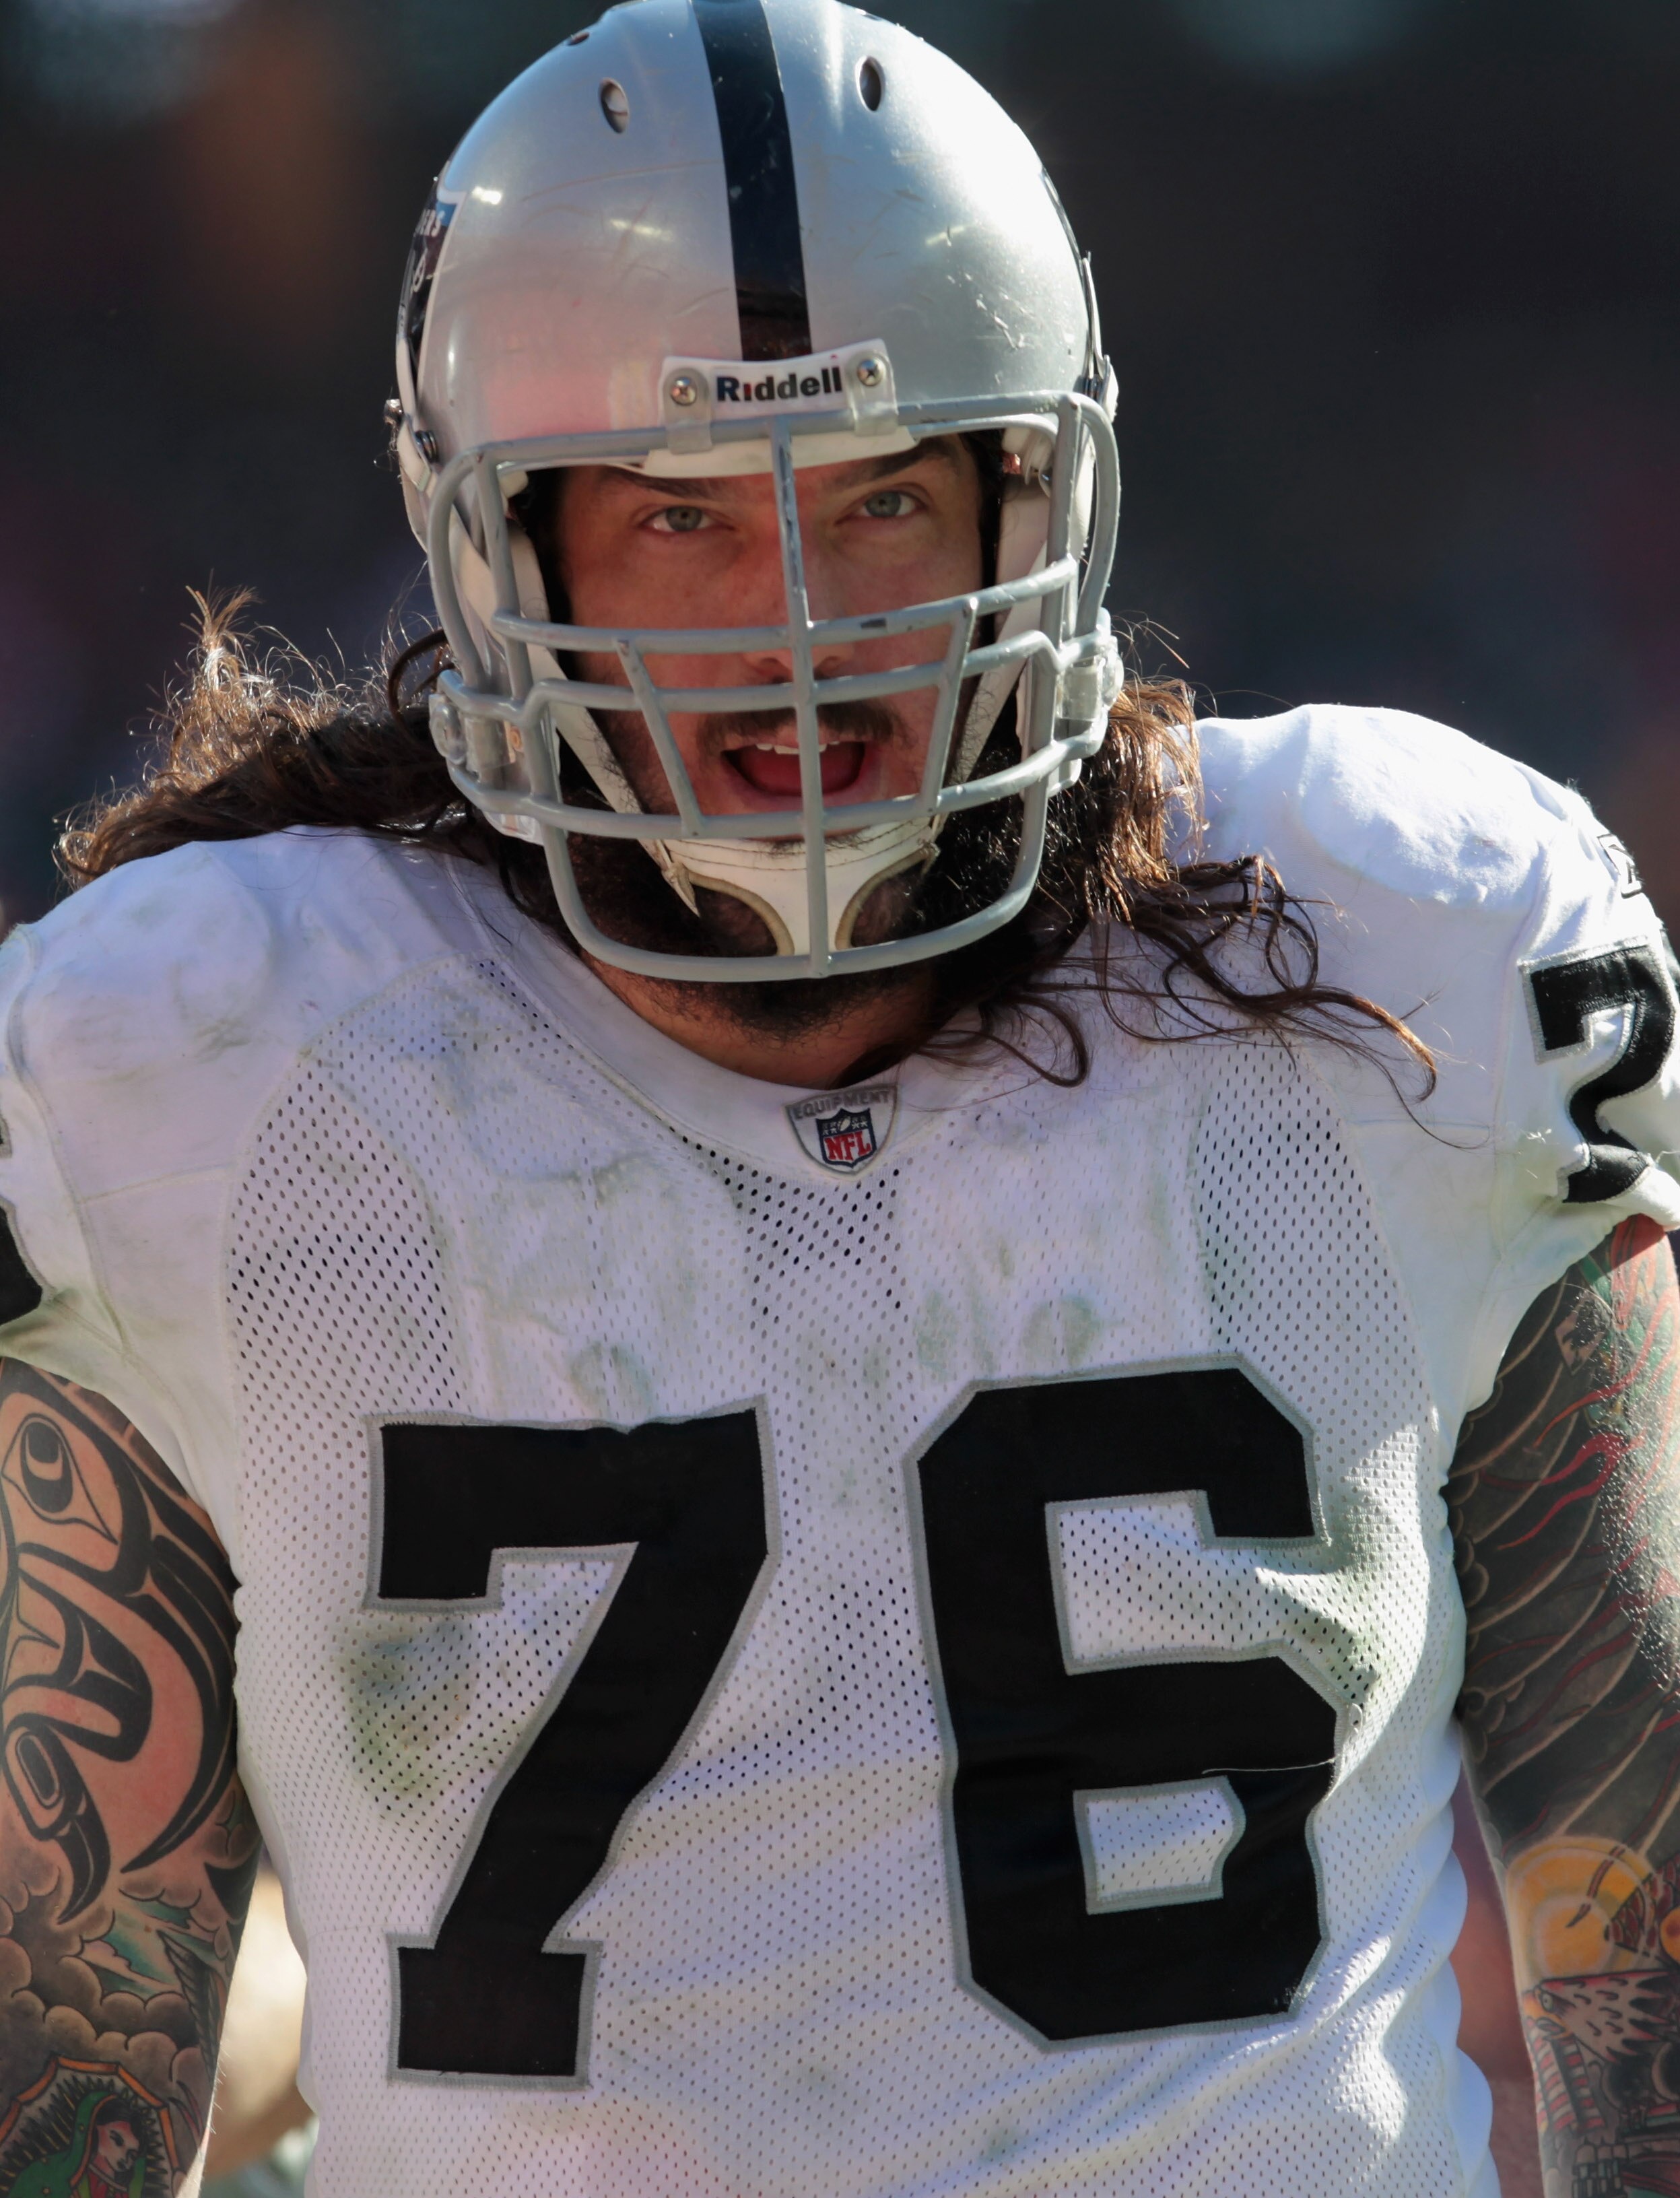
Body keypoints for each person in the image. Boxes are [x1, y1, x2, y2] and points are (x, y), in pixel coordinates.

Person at [0, 1, 1675, 2191]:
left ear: (1039, 497)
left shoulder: (1406, 966)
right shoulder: (196, 1063)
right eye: (683, 517)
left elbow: (1641, 1862)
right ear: (505, 554)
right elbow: (69, 2042)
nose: (802, 614)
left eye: (887, 493)